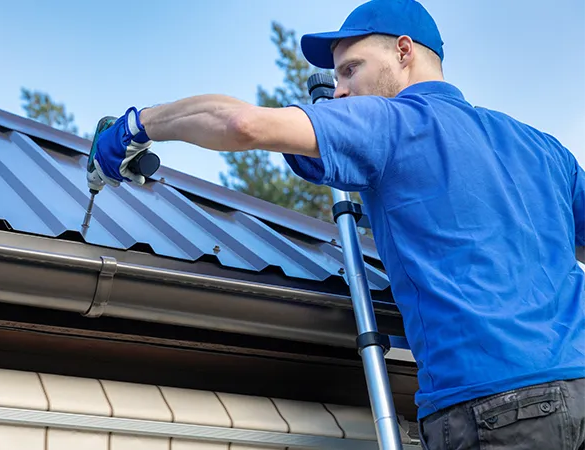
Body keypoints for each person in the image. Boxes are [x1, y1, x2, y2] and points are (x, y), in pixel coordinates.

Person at [88, 0, 585, 447]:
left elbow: (241, 124)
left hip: (494, 407)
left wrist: (136, 126)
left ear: (404, 52)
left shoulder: (392, 122)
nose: (342, 91)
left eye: (351, 69)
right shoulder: (541, 147)